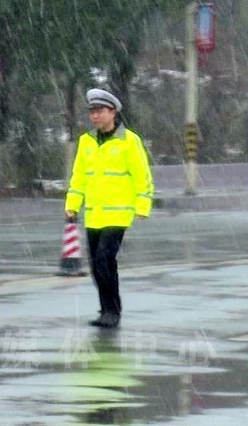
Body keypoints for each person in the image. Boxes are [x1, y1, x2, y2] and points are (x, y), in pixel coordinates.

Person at [65, 88, 154, 329]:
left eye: (100, 111)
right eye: (92, 112)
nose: (95, 116)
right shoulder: (86, 142)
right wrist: (72, 205)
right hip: (94, 214)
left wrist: (142, 205)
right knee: (96, 264)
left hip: (118, 213)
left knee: (105, 259)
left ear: (112, 112)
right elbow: (79, 176)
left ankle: (113, 311)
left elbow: (142, 176)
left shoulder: (129, 141)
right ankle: (106, 308)